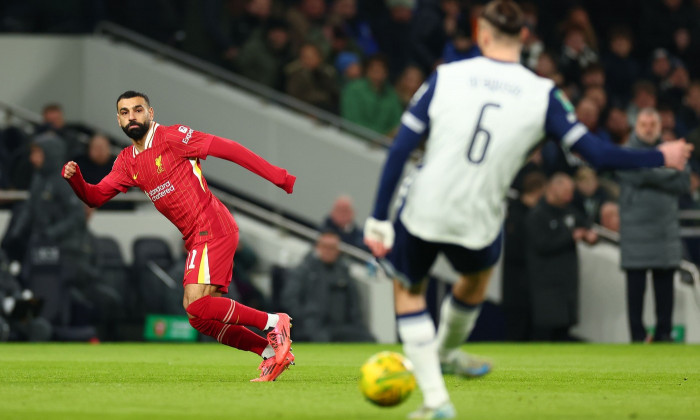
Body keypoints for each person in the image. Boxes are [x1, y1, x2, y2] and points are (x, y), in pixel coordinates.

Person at [362, 1, 692, 418]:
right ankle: (446, 355)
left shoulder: (445, 77)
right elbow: (596, 154)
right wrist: (659, 154)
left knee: (409, 290)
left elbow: (401, 148)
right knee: (475, 282)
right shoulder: (543, 94)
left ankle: (437, 398)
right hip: (480, 217)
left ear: (481, 32)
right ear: (524, 38)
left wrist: (377, 218)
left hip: (426, 205)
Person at [62, 91, 297, 381]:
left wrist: (279, 177)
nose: (132, 116)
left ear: (151, 113)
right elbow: (95, 197)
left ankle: (275, 322)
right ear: (119, 120)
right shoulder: (127, 161)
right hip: (197, 236)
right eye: (125, 112)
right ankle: (270, 353)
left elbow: (229, 148)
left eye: (138, 110)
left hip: (212, 225)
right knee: (199, 316)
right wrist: (76, 180)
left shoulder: (173, 137)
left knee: (196, 304)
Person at [617, 108, 690, 343]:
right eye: (644, 124)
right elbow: (635, 175)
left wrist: (649, 171)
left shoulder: (673, 149)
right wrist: (666, 167)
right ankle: (637, 335)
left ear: (659, 127)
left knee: (665, 287)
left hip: (664, 230)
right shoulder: (625, 151)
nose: (648, 128)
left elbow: (684, 182)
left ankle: (664, 334)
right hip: (635, 231)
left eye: (652, 124)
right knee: (636, 289)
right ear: (636, 127)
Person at [527, 173, 597, 341]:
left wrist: (590, 236)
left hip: (567, 284)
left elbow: (587, 228)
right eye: (566, 191)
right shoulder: (537, 215)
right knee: (545, 333)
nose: (570, 195)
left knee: (564, 333)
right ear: (553, 189)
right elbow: (542, 245)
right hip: (546, 285)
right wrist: (570, 237)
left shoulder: (570, 212)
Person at [281, 231, 374, 342]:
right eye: (325, 247)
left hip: (341, 326)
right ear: (317, 247)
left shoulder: (343, 272)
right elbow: (290, 300)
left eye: (332, 247)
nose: (328, 251)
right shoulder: (304, 271)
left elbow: (354, 303)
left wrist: (358, 324)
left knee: (368, 339)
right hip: (311, 327)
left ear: (338, 250)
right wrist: (304, 320)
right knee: (322, 338)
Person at [502, 171, 546, 341]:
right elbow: (515, 250)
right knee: (516, 331)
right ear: (538, 191)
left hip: (530, 286)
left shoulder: (530, 213)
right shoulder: (516, 214)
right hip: (517, 286)